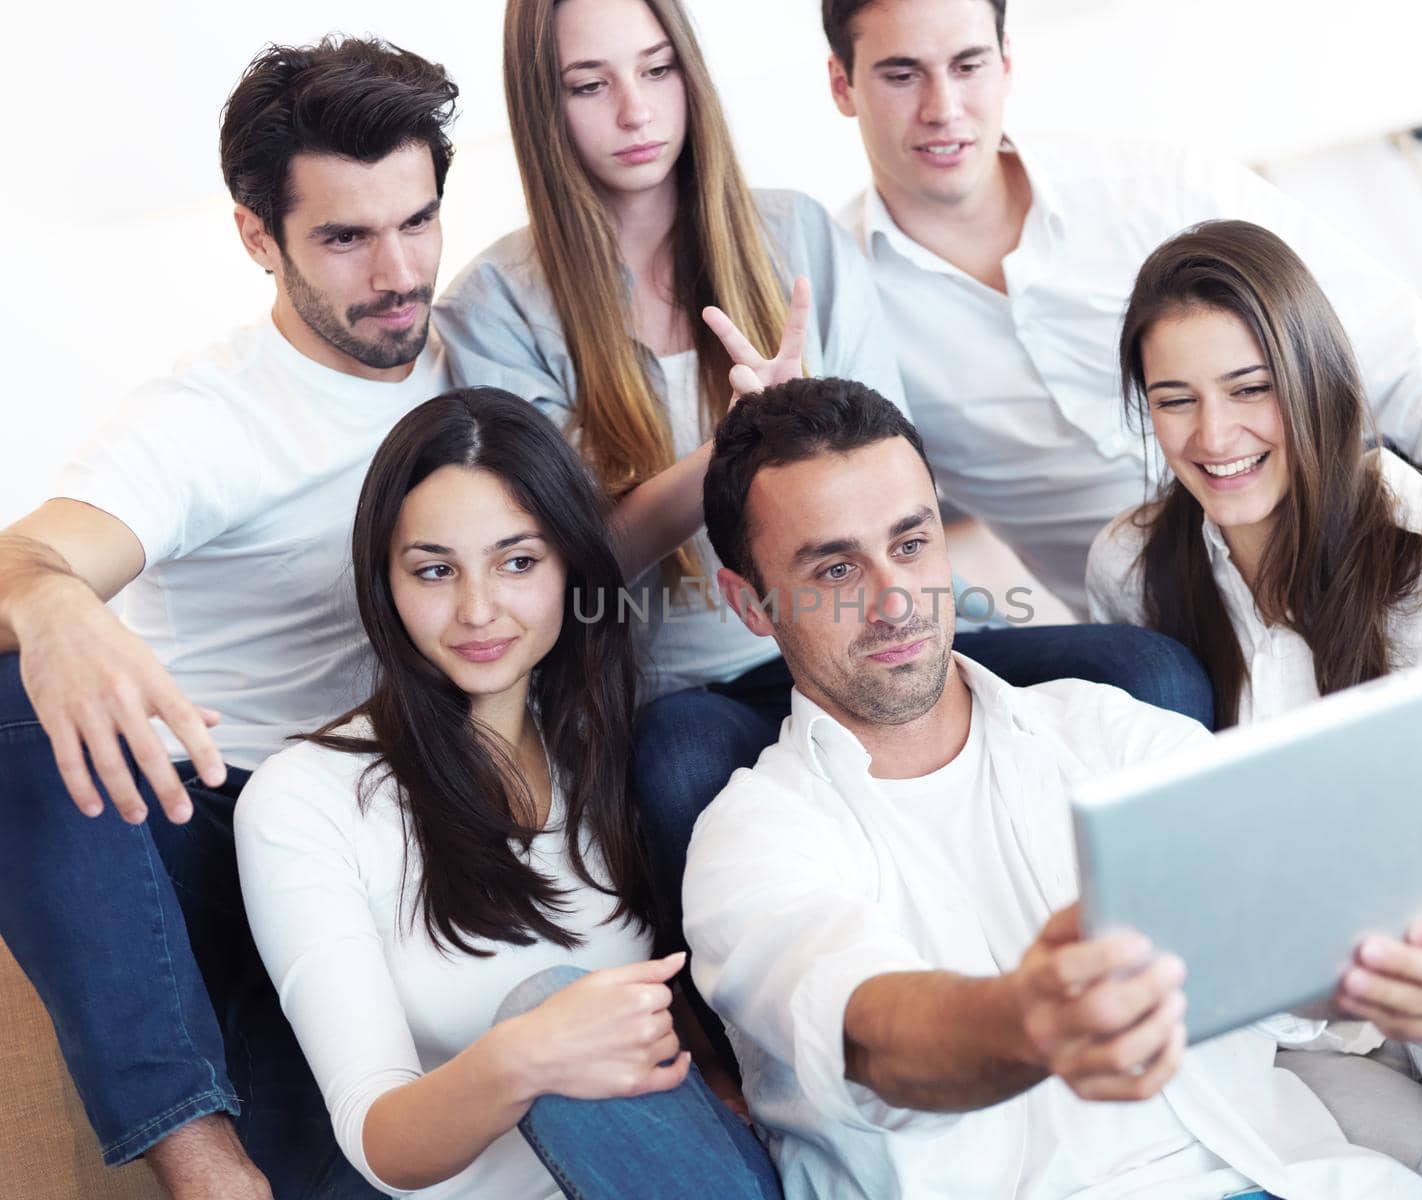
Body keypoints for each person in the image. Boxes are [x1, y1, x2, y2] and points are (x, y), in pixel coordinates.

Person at [434, 0, 1213, 1004]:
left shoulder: (795, 231)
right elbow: (553, 565)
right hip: (700, 686)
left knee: (1151, 672)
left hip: (882, 629)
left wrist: (804, 428)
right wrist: (731, 450)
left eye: (657, 69)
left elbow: (893, 469)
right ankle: (735, 1052)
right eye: (590, 85)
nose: (634, 110)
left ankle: (1154, 964)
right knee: (677, 774)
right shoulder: (499, 303)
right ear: (544, 107)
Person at [681, 374, 1422, 1199]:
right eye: (833, 569)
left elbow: (1276, 945)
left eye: (910, 544)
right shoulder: (753, 839)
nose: (895, 600)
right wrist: (1027, 1020)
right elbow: (875, 1037)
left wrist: (1381, 962)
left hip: (1286, 1175)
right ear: (751, 602)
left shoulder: (1106, 731)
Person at [0, 37, 460, 1199]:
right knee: (11, 696)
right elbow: (33, 550)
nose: (398, 271)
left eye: (416, 221)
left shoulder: (480, 353)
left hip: (391, 828)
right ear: (258, 239)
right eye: (345, 238)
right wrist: (52, 602)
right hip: (210, 816)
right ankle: (201, 1161)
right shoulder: (204, 419)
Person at [821, 0, 1422, 647]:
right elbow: (866, 521)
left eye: (967, 65)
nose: (943, 109)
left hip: (1349, 519)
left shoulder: (1154, 187)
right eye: (900, 74)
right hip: (1169, 615)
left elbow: (1395, 344)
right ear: (842, 83)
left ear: (1006, 64)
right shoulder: (843, 295)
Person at [1086, 219, 1422, 1194]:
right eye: (1173, 401)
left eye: (1249, 389)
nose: (1213, 436)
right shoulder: (1129, 570)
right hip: (1295, 1026)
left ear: (1315, 377)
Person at [233, 388, 780, 1200]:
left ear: (570, 568)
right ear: (384, 583)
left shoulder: (608, 754)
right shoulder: (305, 801)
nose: (478, 610)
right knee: (547, 1001)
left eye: (518, 562)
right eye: (434, 570)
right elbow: (378, 1137)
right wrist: (526, 1053)